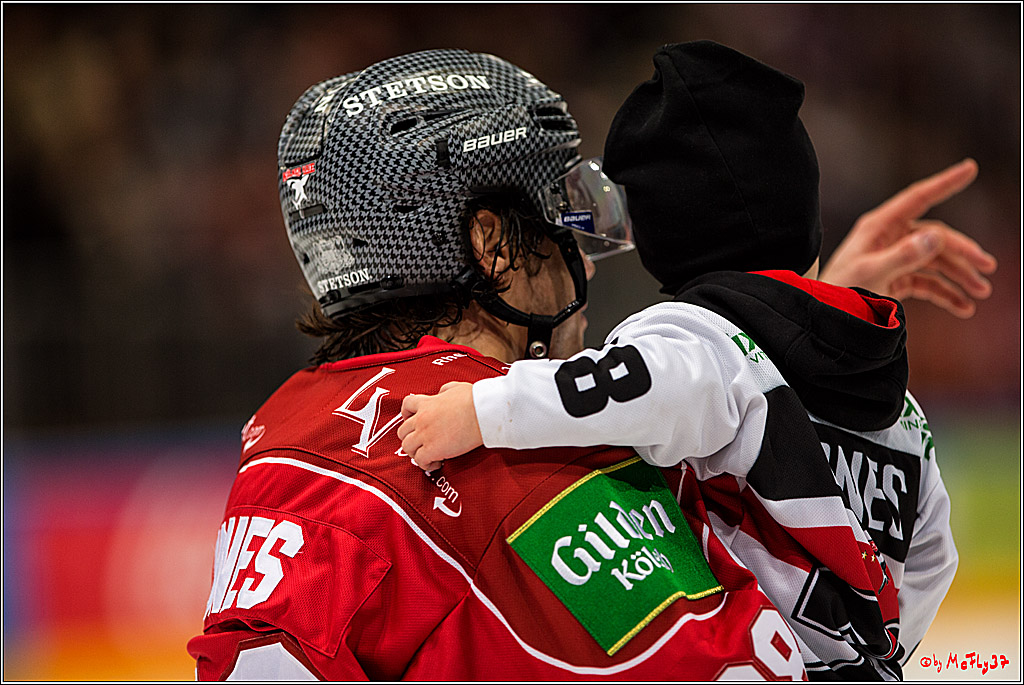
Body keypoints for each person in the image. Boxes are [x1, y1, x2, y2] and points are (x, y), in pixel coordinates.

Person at [186, 48, 810, 680]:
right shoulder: (530, 458)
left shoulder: (286, 426)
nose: (586, 262)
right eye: (562, 222)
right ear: (493, 248)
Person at [399, 41, 991, 679]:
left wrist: (481, 410)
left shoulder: (691, 338)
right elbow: (932, 557)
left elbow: (628, 385)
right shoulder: (901, 409)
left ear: (660, 240)